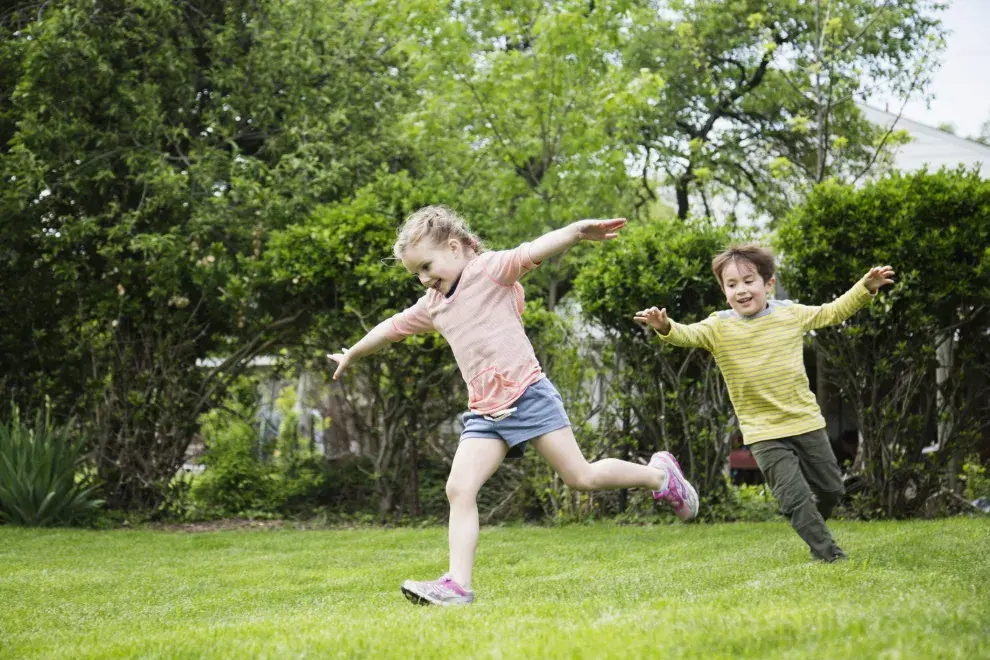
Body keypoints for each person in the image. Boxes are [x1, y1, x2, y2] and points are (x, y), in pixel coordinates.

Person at [328, 205, 698, 605]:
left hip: (527, 394)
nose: (423, 279)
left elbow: (532, 250)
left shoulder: (489, 270)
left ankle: (659, 477)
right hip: (485, 412)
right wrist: (354, 353)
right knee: (459, 488)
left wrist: (575, 230)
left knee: (581, 477)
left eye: (426, 266)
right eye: (416, 273)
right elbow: (393, 327)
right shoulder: (434, 303)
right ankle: (457, 585)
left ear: (454, 247)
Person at [634, 244, 894, 563]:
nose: (741, 290)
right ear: (723, 290)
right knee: (794, 498)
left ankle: (808, 520)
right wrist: (664, 327)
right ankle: (828, 554)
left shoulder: (790, 314)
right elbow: (686, 334)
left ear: (768, 284)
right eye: (732, 285)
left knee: (832, 490)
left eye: (748, 281)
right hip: (763, 432)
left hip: (806, 422)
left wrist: (864, 287)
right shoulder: (718, 327)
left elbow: (832, 311)